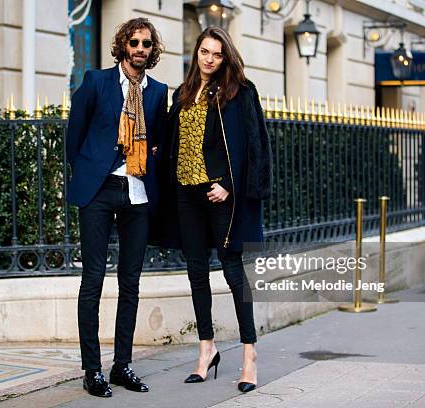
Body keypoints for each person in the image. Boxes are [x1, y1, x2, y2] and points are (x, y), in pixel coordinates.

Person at [157, 26, 272, 393]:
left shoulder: (240, 93)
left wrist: (230, 185)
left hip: (219, 192)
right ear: (197, 54)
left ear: (226, 57)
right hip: (186, 193)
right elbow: (175, 139)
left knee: (233, 273)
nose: (209, 59)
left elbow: (254, 146)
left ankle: (249, 354)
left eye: (216, 54)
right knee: (195, 273)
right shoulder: (184, 93)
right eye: (204, 52)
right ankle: (206, 348)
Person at [66, 17, 168, 398]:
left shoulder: (158, 92)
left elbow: (158, 138)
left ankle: (122, 365)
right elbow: (74, 136)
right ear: (123, 45)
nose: (140, 49)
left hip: (137, 192)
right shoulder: (96, 82)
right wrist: (88, 173)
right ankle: (92, 370)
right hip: (98, 190)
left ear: (151, 50)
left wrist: (151, 154)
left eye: (146, 44)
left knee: (131, 283)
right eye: (134, 42)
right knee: (92, 281)